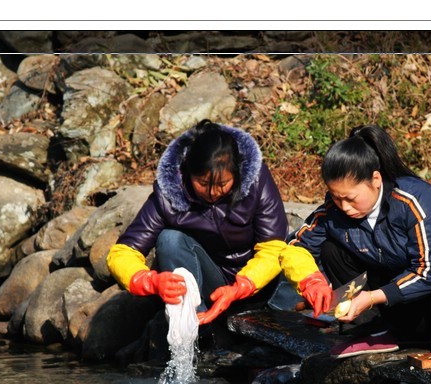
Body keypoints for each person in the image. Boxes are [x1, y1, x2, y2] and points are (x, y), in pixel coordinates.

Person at [279, 125, 431, 358]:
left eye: (350, 198)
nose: (344, 206)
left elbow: (426, 273)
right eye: (336, 197)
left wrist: (371, 297)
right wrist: (310, 282)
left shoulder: (415, 200)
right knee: (331, 248)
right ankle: (373, 332)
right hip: (405, 313)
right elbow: (295, 247)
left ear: (376, 179)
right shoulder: (333, 211)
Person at [106, 119, 295, 341]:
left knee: (297, 252)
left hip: (259, 283)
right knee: (170, 239)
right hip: (212, 284)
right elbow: (122, 252)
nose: (213, 192)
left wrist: (240, 287)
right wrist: (150, 281)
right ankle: (197, 331)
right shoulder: (169, 195)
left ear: (237, 172)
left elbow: (273, 248)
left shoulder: (256, 180)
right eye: (203, 184)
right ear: (188, 172)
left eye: (222, 184)